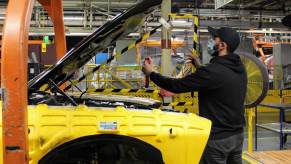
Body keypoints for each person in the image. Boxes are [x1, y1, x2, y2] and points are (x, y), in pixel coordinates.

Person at [142, 26, 247, 164]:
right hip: (237, 136)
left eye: (214, 38)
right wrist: (199, 66)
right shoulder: (240, 69)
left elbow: (176, 86)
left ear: (222, 45)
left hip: (217, 139)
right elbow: (218, 80)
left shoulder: (212, 72)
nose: (210, 41)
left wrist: (151, 73)